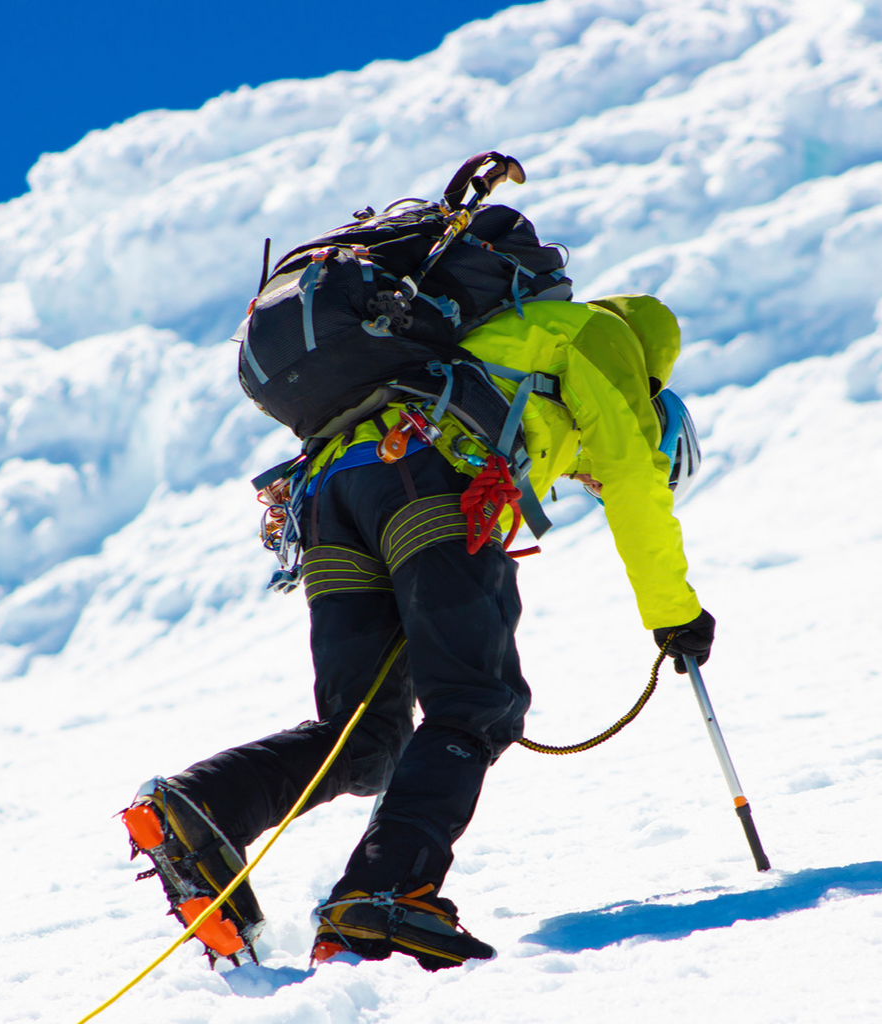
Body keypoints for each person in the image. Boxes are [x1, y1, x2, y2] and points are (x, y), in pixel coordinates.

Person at [122, 294, 715, 971]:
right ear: (659, 416)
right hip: (424, 476)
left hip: (329, 496)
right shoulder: (605, 338)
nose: (590, 481)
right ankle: (385, 891)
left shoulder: (490, 336)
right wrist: (675, 613)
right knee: (476, 702)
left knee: (368, 736)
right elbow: (637, 481)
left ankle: (203, 804)